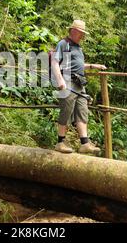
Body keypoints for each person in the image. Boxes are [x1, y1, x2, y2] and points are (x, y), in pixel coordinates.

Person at [51, 20, 107, 154]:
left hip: (79, 84)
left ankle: (84, 143)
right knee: (66, 111)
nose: (82, 36)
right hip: (67, 82)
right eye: (81, 33)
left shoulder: (78, 47)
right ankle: (60, 142)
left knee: (82, 111)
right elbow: (55, 62)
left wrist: (93, 66)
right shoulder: (63, 44)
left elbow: (78, 64)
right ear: (74, 31)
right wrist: (60, 81)